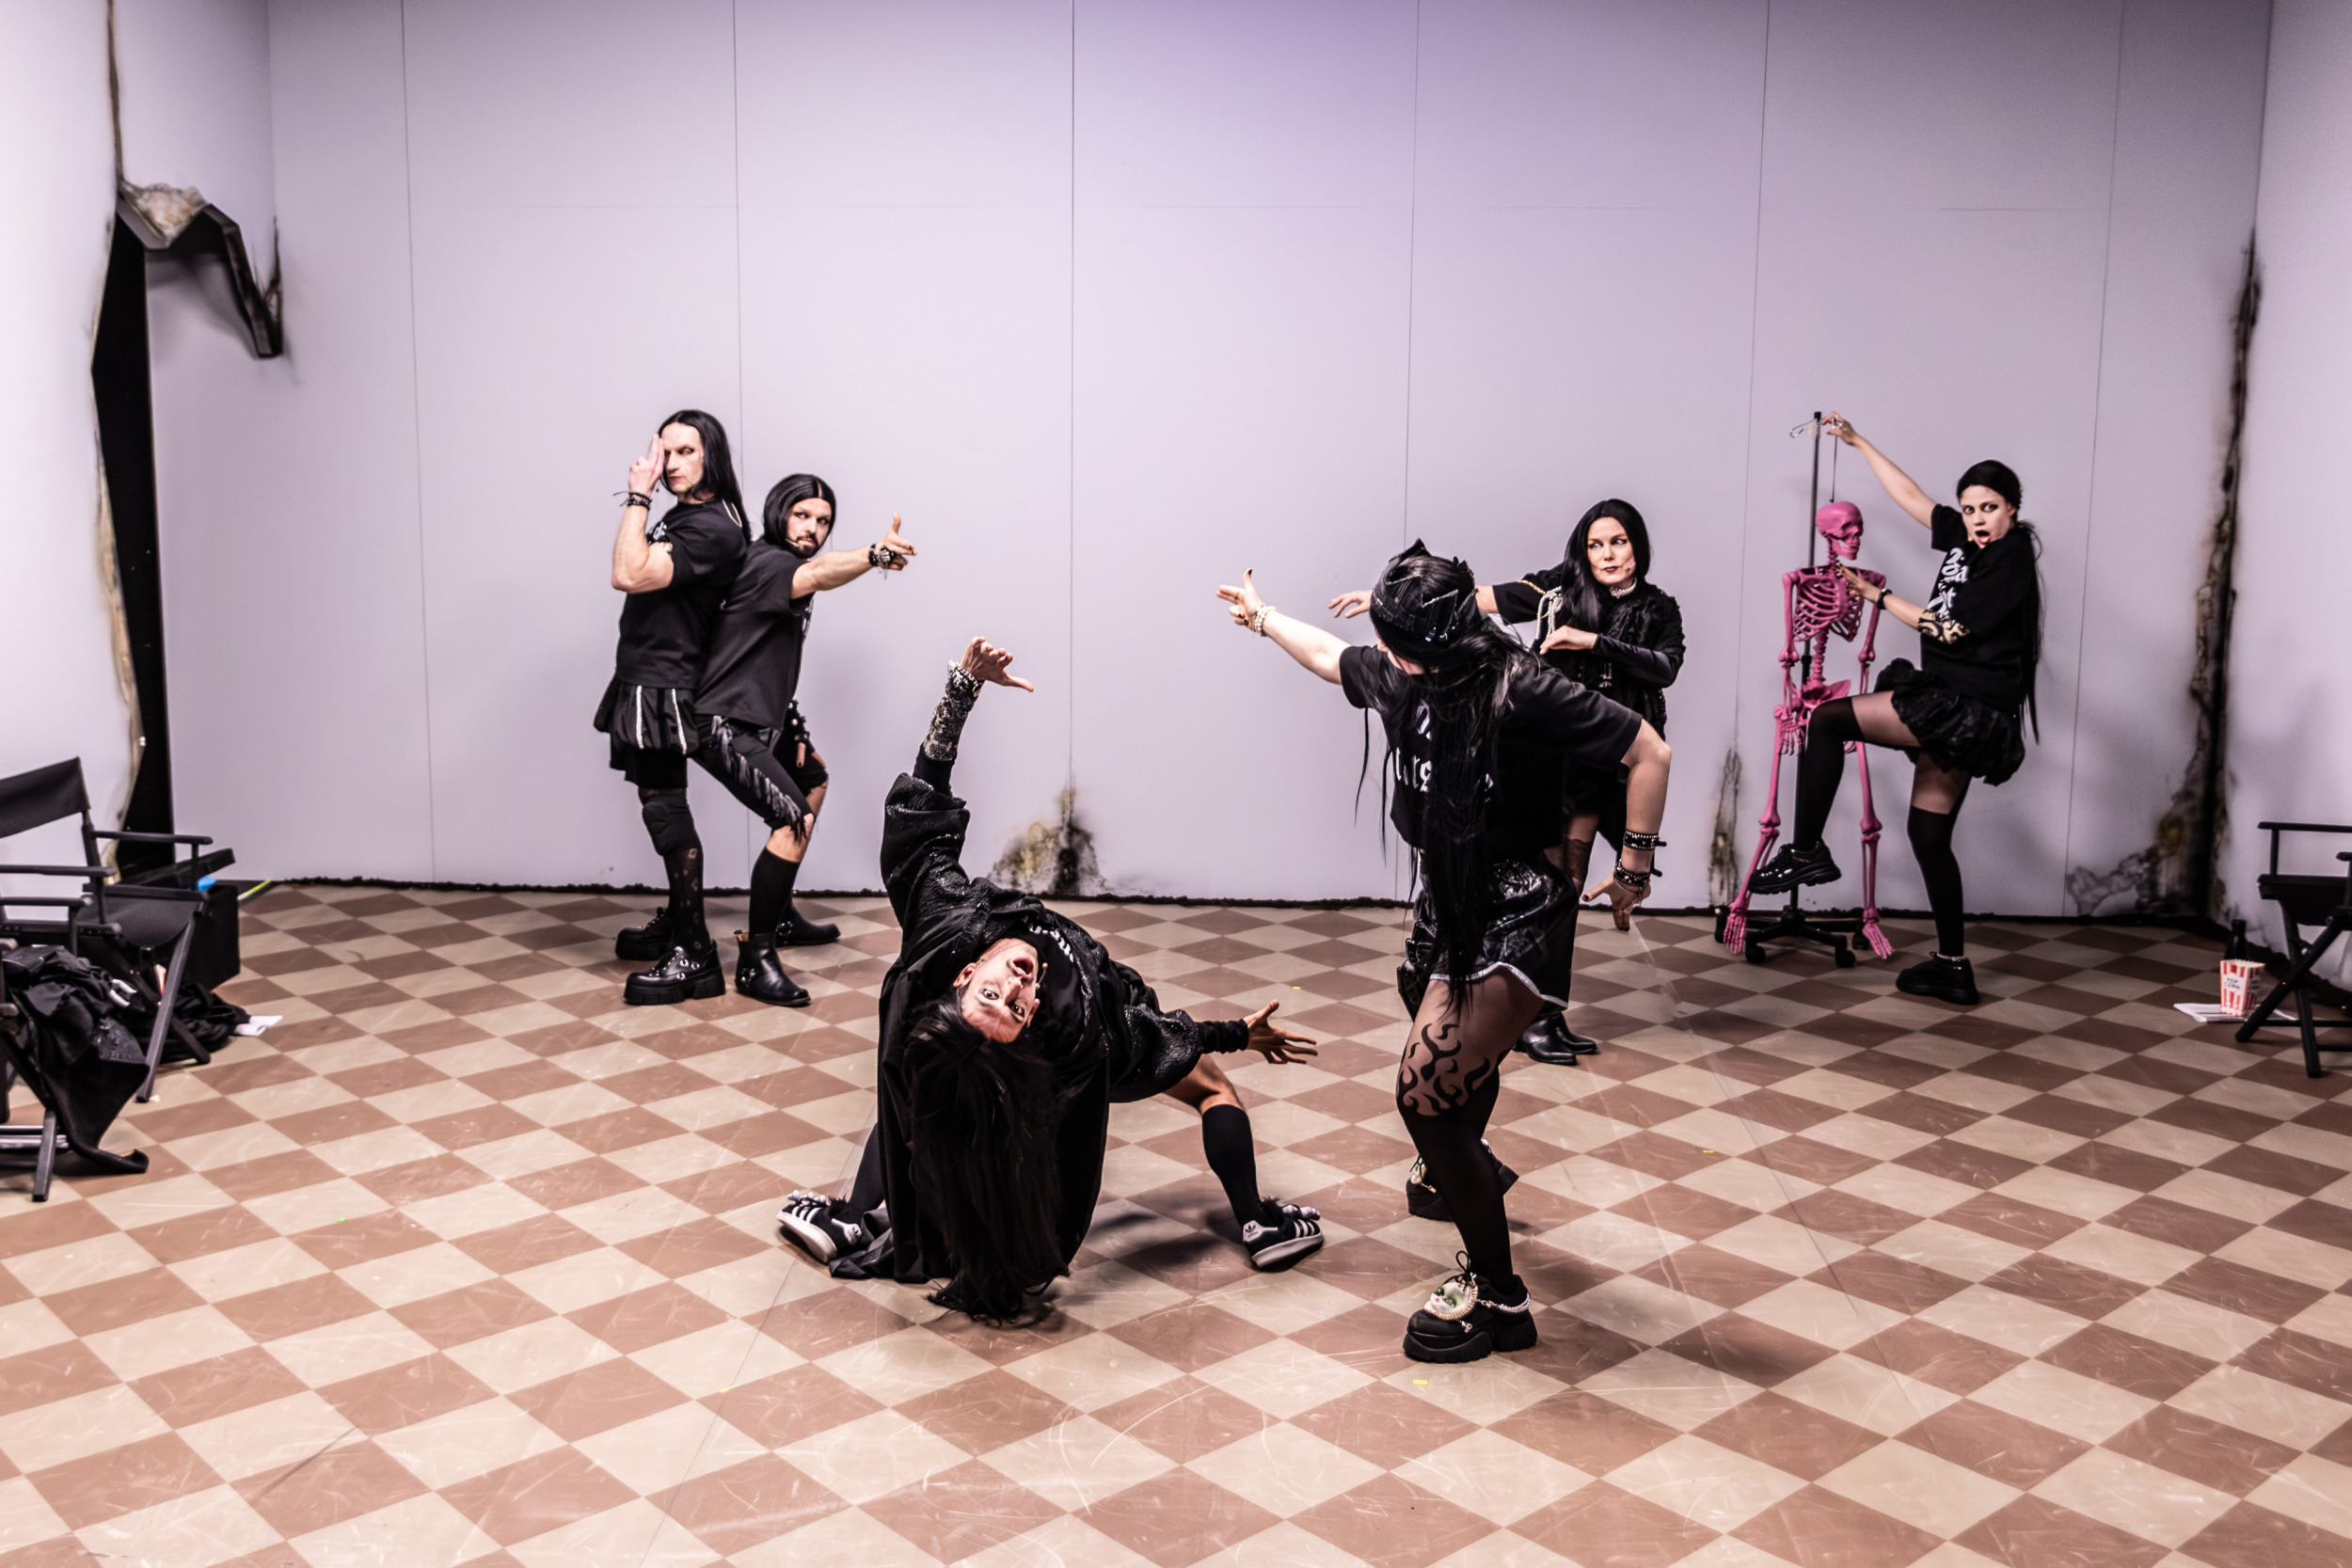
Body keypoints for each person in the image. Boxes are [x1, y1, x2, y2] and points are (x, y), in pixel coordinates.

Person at [775, 638, 1327, 1321]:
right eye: (1016, 1005)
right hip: (1107, 1029)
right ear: (1031, 1018)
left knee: (924, 1079)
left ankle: (851, 1219)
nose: (1017, 983)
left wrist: (961, 688)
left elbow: (922, 814)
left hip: (1053, 1041)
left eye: (994, 992)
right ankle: (1261, 1224)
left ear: (964, 975)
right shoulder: (1078, 1026)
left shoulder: (947, 922)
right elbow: (1164, 1034)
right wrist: (1239, 1033)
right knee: (1213, 1086)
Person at [1220, 546, 1673, 1365]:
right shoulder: (1402, 675)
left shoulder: (1521, 686)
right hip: (1448, 898)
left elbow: (1649, 752)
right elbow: (1328, 655)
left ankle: (1500, 1297)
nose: (1379, 650)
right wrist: (1263, 618)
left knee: (1425, 1092)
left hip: (1520, 904)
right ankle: (1450, 1172)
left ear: (1427, 645)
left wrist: (1634, 868)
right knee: (1448, 1057)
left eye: (1389, 639)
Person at [1333, 499, 1684, 1069]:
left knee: (1610, 868)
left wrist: (1593, 643)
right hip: (1562, 765)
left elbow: (1664, 667)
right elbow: (1470, 601)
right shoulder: (1556, 592)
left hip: (1619, 756)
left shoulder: (1658, 607)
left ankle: (1533, 996)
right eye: (1595, 544)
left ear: (1638, 545)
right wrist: (1391, 607)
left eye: (1618, 542)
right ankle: (1539, 1014)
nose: (1607, 555)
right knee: (1562, 881)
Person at [1747, 413, 2042, 1006]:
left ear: (2012, 509)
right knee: (1928, 836)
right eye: (1970, 509)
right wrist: (1859, 443)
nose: (1978, 519)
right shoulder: (1967, 540)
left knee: (1828, 718)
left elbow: (1950, 629)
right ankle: (1953, 966)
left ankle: (1806, 850)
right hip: (1959, 711)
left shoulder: (2008, 560)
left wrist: (1879, 597)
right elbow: (1912, 497)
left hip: (1963, 709)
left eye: (1989, 508)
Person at [691, 473, 918, 1006]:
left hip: (759, 721)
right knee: (794, 819)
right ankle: (757, 958)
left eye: (822, 521)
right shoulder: (770, 563)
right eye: (802, 515)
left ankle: (780, 912)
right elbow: (818, 572)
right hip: (722, 723)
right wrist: (874, 554)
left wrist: (787, 720)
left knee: (812, 779)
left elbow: (759, 653)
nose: (812, 529)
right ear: (779, 513)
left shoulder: (781, 566)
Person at [594, 411, 748, 1006]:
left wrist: (639, 493)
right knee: (658, 808)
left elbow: (627, 573)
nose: (673, 464)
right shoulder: (688, 515)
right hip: (644, 678)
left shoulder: (714, 528)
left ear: (712, 456)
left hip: (666, 685)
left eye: (688, 452)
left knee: (666, 813)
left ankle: (696, 953)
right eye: (667, 451)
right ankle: (681, 922)